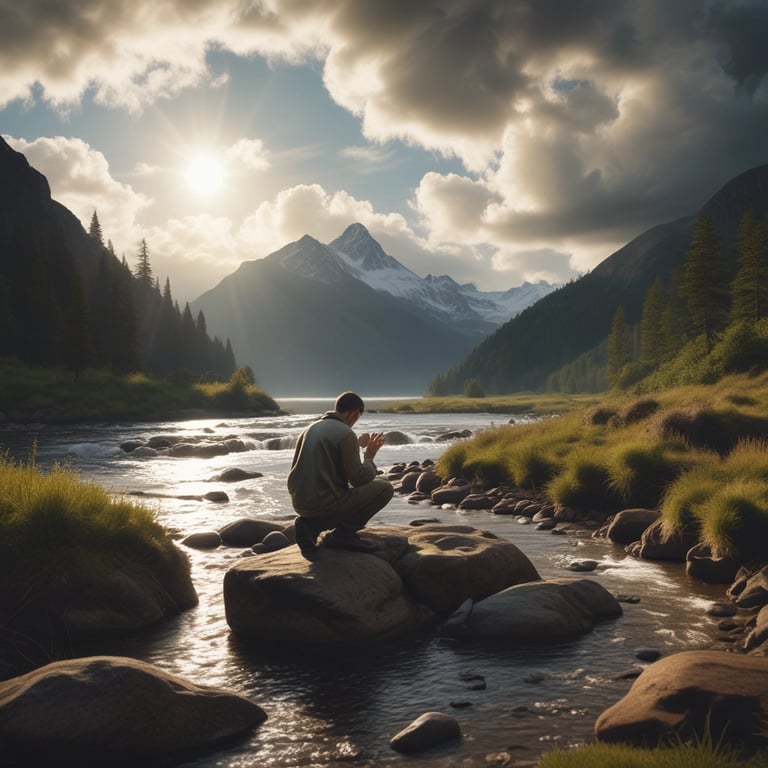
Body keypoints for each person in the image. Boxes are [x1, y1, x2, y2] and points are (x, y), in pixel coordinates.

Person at [287, 391, 394, 558]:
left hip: (300, 502)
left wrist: (356, 446)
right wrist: (369, 456)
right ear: (353, 412)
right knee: (385, 488)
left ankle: (310, 525)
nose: (356, 420)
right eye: (359, 415)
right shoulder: (345, 433)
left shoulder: (310, 428)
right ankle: (342, 534)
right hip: (324, 504)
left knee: (342, 492)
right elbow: (358, 479)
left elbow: (327, 462)